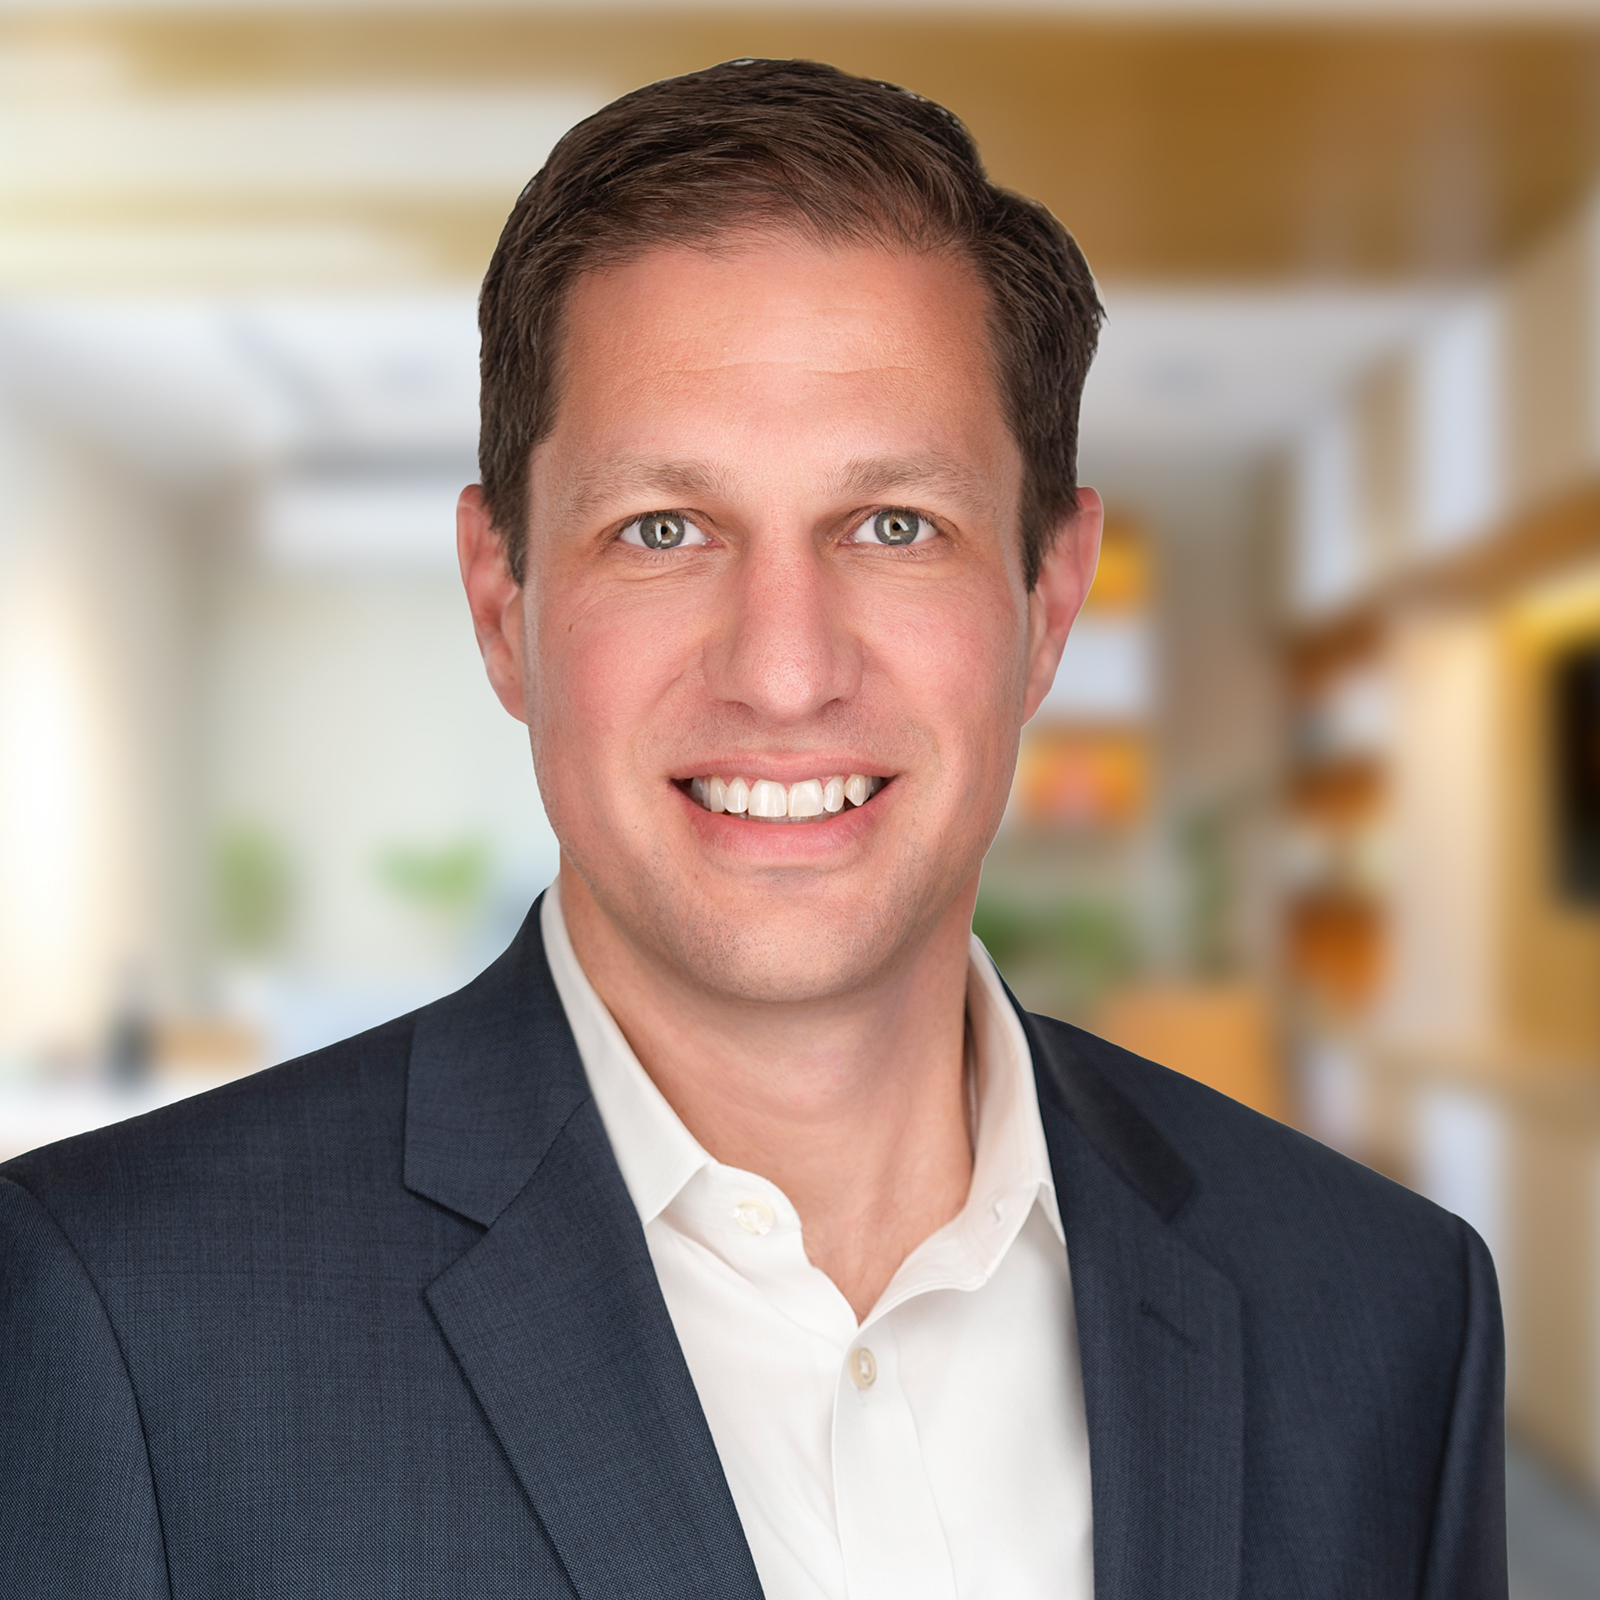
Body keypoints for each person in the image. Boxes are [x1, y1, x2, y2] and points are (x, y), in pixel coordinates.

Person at [0, 58, 1505, 1599]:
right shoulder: (120, 1317)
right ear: (502, 601)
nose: (784, 671)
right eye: (664, 529)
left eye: (892, 526)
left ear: (1047, 603)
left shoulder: (1385, 1315)